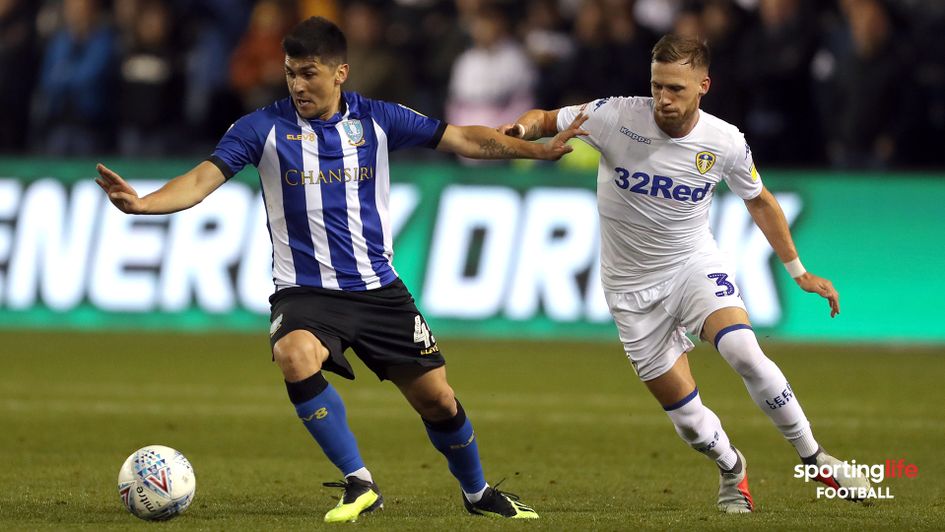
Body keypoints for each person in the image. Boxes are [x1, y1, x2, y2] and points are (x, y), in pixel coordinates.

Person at [95, 16, 586, 523]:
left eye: (309, 73)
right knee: (293, 353)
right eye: (290, 73)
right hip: (306, 293)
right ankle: (359, 482)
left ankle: (478, 492)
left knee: (438, 401)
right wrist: (144, 203)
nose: (298, 85)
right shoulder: (261, 128)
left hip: (379, 290)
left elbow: (461, 138)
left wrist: (534, 149)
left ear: (340, 73)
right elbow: (201, 180)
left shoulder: (377, 119)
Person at [498, 34, 870, 513]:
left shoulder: (724, 141)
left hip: (692, 265)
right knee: (691, 424)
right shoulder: (614, 115)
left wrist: (798, 271)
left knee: (743, 350)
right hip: (630, 291)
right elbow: (546, 118)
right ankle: (732, 468)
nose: (662, 98)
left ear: (703, 86)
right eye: (656, 86)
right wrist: (524, 131)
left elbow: (759, 199)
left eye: (675, 88)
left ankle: (814, 457)